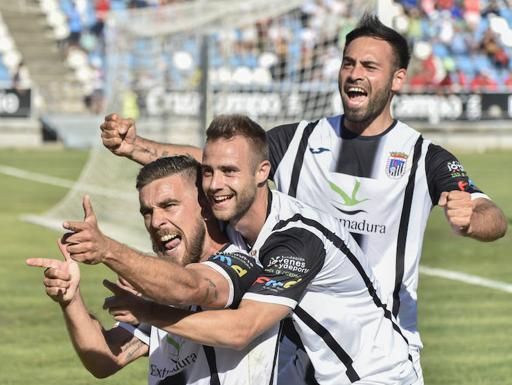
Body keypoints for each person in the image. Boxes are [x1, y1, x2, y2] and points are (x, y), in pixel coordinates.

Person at [98, 14, 508, 381]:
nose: (354, 74)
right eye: (348, 63)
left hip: (372, 345)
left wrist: (472, 217)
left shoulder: (423, 156)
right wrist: (139, 148)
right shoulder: (299, 139)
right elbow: (222, 164)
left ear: (398, 79)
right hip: (291, 334)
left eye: (369, 66)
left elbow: (492, 216)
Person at [103, 114, 418, 384]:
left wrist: (147, 311)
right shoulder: (234, 214)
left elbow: (241, 329)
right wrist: (136, 147)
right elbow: (193, 169)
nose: (214, 184)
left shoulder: (296, 239)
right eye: (209, 172)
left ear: (262, 172)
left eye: (229, 172)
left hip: (375, 375)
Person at [26, 155, 279, 385]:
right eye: (147, 212)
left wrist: (107, 250)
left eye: (169, 205)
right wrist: (70, 300)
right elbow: (105, 360)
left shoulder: (240, 262)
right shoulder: (160, 285)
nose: (156, 222)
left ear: (205, 206)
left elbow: (193, 288)